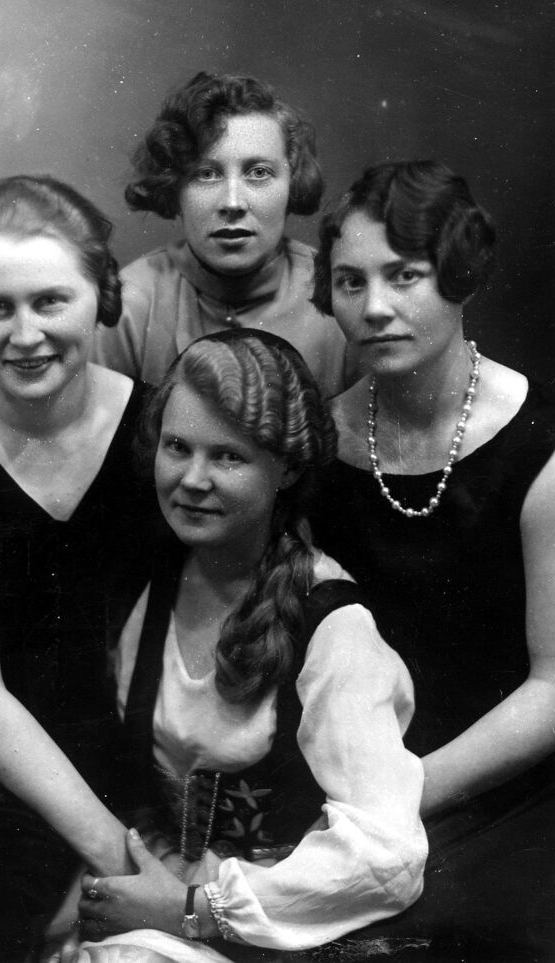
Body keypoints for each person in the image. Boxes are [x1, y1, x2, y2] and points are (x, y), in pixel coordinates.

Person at [66, 330, 426, 963]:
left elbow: (387, 857)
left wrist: (193, 910)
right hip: (140, 897)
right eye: (177, 447)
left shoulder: (332, 624)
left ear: (287, 468)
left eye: (228, 457)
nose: (192, 479)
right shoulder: (144, 576)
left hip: (274, 931)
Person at [309, 160, 555, 961]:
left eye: (404, 275)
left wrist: (403, 793)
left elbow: (554, 687)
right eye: (350, 282)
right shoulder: (318, 445)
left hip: (517, 793)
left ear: (460, 274)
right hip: (353, 788)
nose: (375, 307)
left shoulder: (539, 446)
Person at [0, 175, 157, 962]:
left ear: (102, 298)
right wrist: (122, 862)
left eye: (51, 301)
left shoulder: (163, 428)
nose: (26, 334)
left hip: (138, 766)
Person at [93, 71, 348, 398]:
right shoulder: (131, 305)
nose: (232, 203)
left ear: (292, 182)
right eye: (206, 174)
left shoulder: (338, 294)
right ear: (175, 187)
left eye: (259, 172)